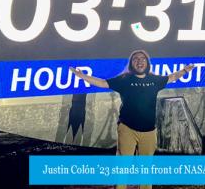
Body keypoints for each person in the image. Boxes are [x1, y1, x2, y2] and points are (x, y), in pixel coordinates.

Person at [69, 50, 194, 189]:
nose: (139, 61)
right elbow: (102, 83)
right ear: (131, 63)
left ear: (147, 63)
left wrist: (184, 71)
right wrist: (81, 76)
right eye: (135, 59)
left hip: (149, 131)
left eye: (142, 59)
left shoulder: (155, 80)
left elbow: (172, 77)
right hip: (127, 129)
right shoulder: (124, 80)